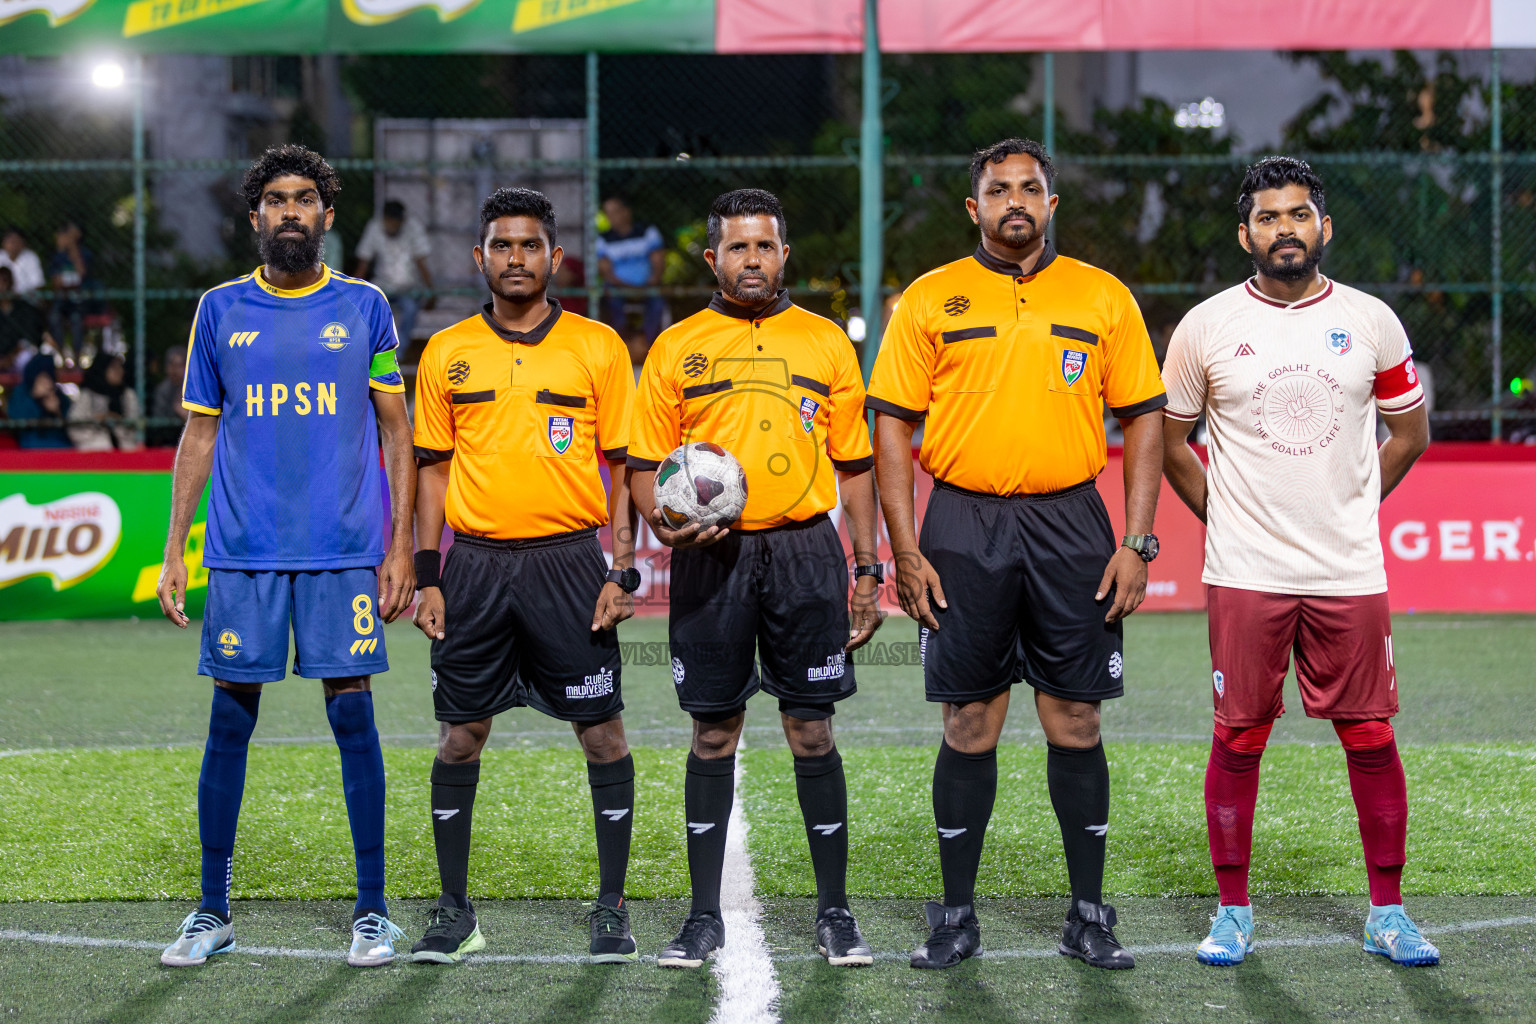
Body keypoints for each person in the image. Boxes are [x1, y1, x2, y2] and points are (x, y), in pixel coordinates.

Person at [867, 138, 1168, 971]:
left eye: (1029, 188)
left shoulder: (1102, 296)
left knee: (1075, 718)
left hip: (1074, 523)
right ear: (974, 209)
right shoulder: (930, 299)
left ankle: (1087, 914)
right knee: (970, 720)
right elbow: (890, 421)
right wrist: (904, 544)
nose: (1015, 202)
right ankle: (956, 914)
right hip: (962, 525)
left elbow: (1144, 415)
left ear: (1051, 202)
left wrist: (1137, 541)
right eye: (997, 190)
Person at [1161, 156, 1437, 968]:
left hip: (1348, 568)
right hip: (1245, 569)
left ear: (1324, 227)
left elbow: (1410, 432)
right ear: (1245, 234)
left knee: (1370, 733)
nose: (1286, 228)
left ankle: (1387, 911)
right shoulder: (1205, 326)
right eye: (1269, 217)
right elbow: (1171, 443)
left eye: (1299, 214)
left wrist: (1352, 505)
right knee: (1239, 735)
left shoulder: (1373, 321)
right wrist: (1225, 514)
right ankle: (1233, 910)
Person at [153, 144, 416, 970]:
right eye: (277, 200)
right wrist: (174, 553)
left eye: (306, 198)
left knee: (352, 715)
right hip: (244, 553)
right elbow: (198, 432)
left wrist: (401, 542)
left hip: (343, 552)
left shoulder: (367, 306)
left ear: (327, 215)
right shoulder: (219, 309)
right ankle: (211, 910)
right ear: (257, 215)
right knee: (230, 720)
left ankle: (372, 912)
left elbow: (397, 432)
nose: (291, 212)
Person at [627, 189, 884, 969]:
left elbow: (858, 467)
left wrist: (868, 569)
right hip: (711, 560)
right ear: (714, 259)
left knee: (812, 730)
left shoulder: (827, 344)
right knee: (713, 731)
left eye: (765, 247)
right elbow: (643, 468)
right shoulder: (676, 347)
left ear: (783, 254)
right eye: (737, 249)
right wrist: (665, 525)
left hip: (807, 554)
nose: (752, 261)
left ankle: (835, 913)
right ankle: (704, 917)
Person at [409, 188, 640, 966]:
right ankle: (453, 909)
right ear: (479, 258)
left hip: (571, 565)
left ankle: (611, 908)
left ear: (554, 257)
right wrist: (427, 574)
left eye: (530, 245)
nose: (516, 258)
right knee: (460, 735)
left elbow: (622, 467)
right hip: (472, 567)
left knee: (602, 733)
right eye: (501, 246)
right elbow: (431, 473)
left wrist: (624, 568)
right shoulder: (445, 352)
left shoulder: (598, 347)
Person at [354, 199, 434, 345]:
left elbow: (421, 263)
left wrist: (430, 292)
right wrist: (355, 292)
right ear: (383, 219)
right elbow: (363, 263)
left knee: (410, 309)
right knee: (369, 306)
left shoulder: (413, 228)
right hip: (382, 283)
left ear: (402, 221)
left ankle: (399, 352)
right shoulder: (374, 227)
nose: (392, 224)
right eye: (389, 220)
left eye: (396, 221)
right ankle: (370, 347)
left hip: (407, 287)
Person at [597, 196, 666, 345]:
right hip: (618, 287)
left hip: (648, 285)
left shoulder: (647, 231)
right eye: (608, 213)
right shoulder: (603, 239)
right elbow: (606, 272)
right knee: (609, 296)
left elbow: (658, 261)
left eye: (615, 212)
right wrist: (627, 287)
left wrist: (651, 281)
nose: (611, 217)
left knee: (657, 301)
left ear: (626, 211)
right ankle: (621, 343)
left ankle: (648, 345)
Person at [68, 353, 141, 451]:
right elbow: (74, 428)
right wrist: (97, 420)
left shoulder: (128, 395)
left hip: (125, 450)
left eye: (121, 368)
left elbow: (136, 427)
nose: (119, 372)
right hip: (93, 450)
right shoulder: (88, 395)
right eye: (114, 368)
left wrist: (117, 420)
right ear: (102, 369)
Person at [47, 222, 95, 355]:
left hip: (81, 299)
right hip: (62, 298)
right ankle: (61, 355)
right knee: (54, 317)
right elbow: (56, 281)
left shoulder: (85, 254)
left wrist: (73, 245)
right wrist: (70, 281)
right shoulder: (58, 257)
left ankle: (77, 358)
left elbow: (81, 274)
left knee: (76, 319)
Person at [9, 352, 72, 448]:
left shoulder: (59, 395)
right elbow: (16, 419)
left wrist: (57, 411)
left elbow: (72, 424)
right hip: (31, 443)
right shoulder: (22, 392)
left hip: (60, 444)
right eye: (41, 377)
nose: (46, 381)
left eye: (48, 377)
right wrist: (34, 397)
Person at [0, 264, 53, 372]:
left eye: (4, 281)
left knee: (26, 358)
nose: (1, 286)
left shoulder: (24, 308)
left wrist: (12, 356)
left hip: (18, 356)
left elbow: (31, 338)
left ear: (10, 283)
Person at [150, 344, 190, 447]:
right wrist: (176, 411)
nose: (174, 370)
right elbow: (158, 419)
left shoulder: (192, 388)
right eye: (171, 365)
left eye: (179, 365)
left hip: (189, 438)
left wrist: (185, 414)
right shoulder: (162, 390)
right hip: (167, 441)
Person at [1, 229, 46, 297]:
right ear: (3, 243)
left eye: (16, 241)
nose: (13, 244)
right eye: (10, 241)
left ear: (23, 243)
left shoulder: (31, 257)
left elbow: (38, 285)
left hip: (26, 299)